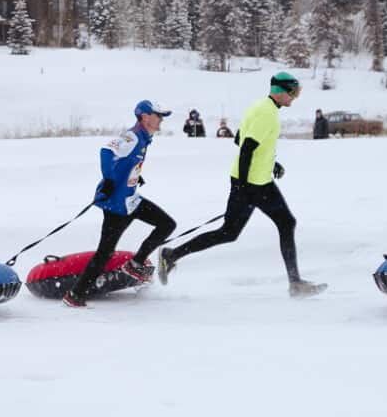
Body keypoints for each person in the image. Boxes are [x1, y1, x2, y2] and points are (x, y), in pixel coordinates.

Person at [158, 70, 324, 297]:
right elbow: (246, 148)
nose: (294, 97)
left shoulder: (259, 107)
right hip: (253, 184)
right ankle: (295, 284)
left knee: (229, 232)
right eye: (292, 92)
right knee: (285, 223)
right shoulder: (267, 113)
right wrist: (243, 188)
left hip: (255, 180)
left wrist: (270, 163)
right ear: (281, 91)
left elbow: (240, 139)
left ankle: (172, 255)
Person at [63, 99, 177, 308]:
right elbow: (106, 152)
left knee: (167, 224)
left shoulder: (144, 138)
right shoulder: (132, 136)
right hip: (117, 206)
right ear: (145, 117)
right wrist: (109, 180)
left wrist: (132, 175)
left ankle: (136, 264)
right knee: (104, 253)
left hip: (131, 200)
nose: (161, 120)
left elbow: (125, 161)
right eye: (158, 115)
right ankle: (75, 294)